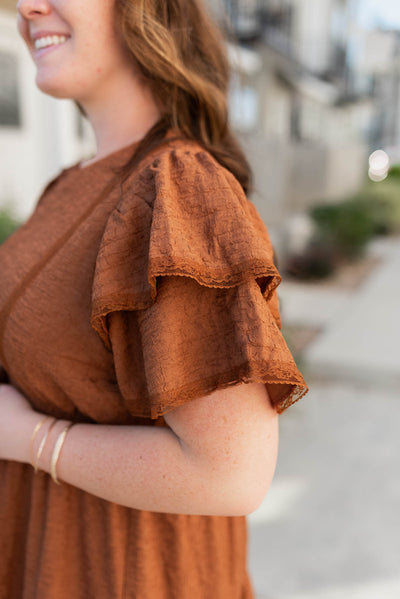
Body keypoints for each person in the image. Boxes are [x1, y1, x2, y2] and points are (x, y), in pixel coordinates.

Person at [0, 0, 308, 597]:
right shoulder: (74, 182)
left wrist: (29, 439)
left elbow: (232, 474)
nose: (27, 6)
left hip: (130, 573)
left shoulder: (176, 188)